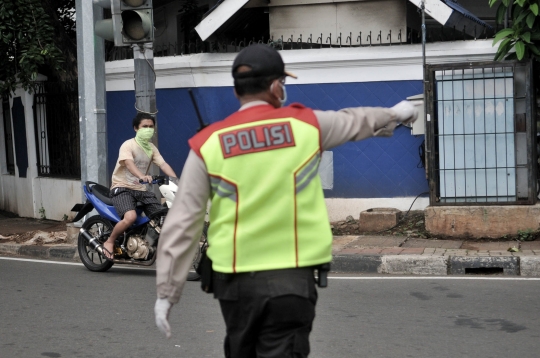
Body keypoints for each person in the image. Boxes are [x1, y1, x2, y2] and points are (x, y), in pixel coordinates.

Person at [154, 44, 418, 357]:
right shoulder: (306, 126)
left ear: (238, 91)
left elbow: (184, 220)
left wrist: (167, 293)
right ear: (276, 86)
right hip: (291, 282)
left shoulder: (209, 144)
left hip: (235, 285)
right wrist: (395, 114)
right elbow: (354, 120)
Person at [102, 112, 177, 259]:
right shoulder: (128, 145)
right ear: (136, 128)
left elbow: (163, 164)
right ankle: (110, 241)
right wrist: (142, 176)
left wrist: (176, 180)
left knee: (161, 217)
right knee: (130, 217)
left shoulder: (151, 148)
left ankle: (148, 245)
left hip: (141, 190)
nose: (148, 129)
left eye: (151, 127)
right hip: (122, 187)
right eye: (145, 126)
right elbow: (129, 164)